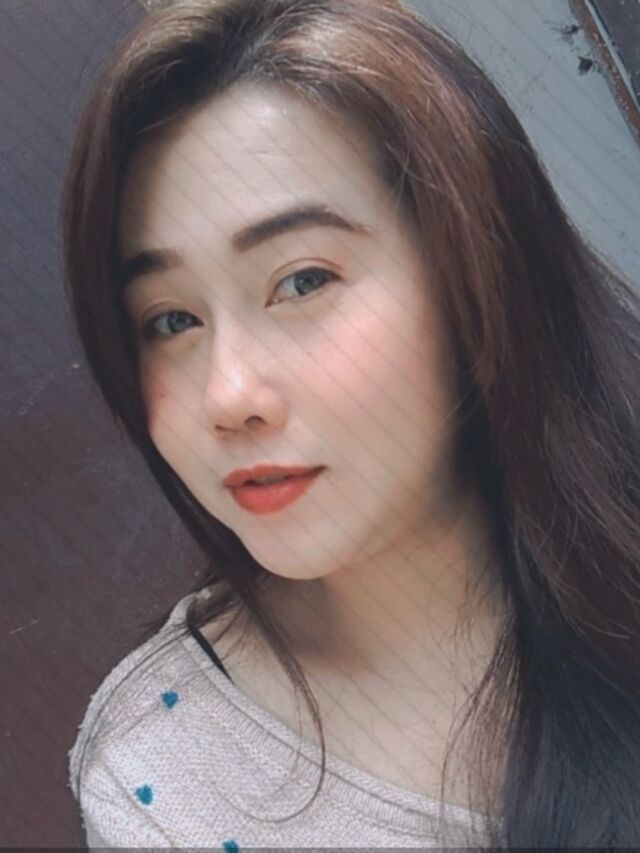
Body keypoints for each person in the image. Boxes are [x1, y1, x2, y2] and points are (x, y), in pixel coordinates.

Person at [61, 0, 640, 848]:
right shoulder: (162, 781)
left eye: (302, 281)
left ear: (475, 271)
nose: (229, 394)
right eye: (171, 320)